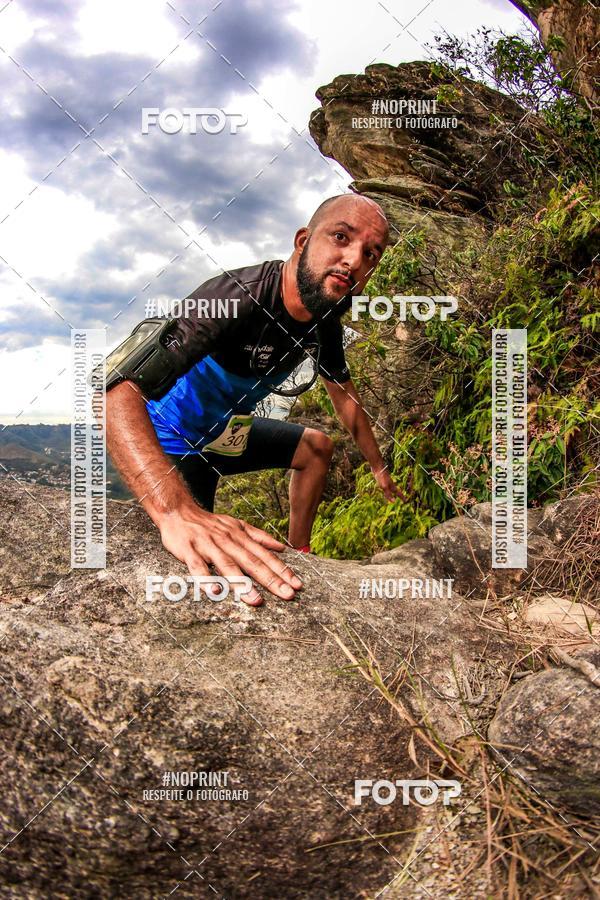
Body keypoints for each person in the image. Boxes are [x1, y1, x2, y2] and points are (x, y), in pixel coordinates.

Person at [105, 193, 405, 606]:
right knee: (205, 575)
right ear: (303, 241)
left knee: (317, 448)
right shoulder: (234, 297)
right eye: (341, 237)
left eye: (370, 254)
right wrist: (173, 511)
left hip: (224, 435)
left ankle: (302, 559)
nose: (354, 260)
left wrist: (378, 468)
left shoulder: (324, 322)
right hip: (172, 443)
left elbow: (345, 398)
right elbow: (117, 389)